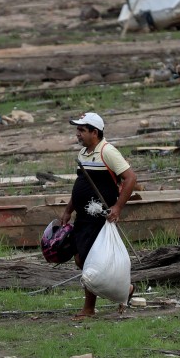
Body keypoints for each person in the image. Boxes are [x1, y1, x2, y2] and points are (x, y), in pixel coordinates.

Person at [57, 111, 136, 319]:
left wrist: (118, 207)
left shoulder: (107, 152)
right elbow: (80, 185)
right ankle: (124, 289)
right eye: (77, 129)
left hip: (99, 216)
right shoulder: (84, 153)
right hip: (83, 216)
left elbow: (130, 178)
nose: (78, 134)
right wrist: (68, 210)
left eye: (82, 130)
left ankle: (89, 308)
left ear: (95, 132)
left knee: (89, 260)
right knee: (81, 259)